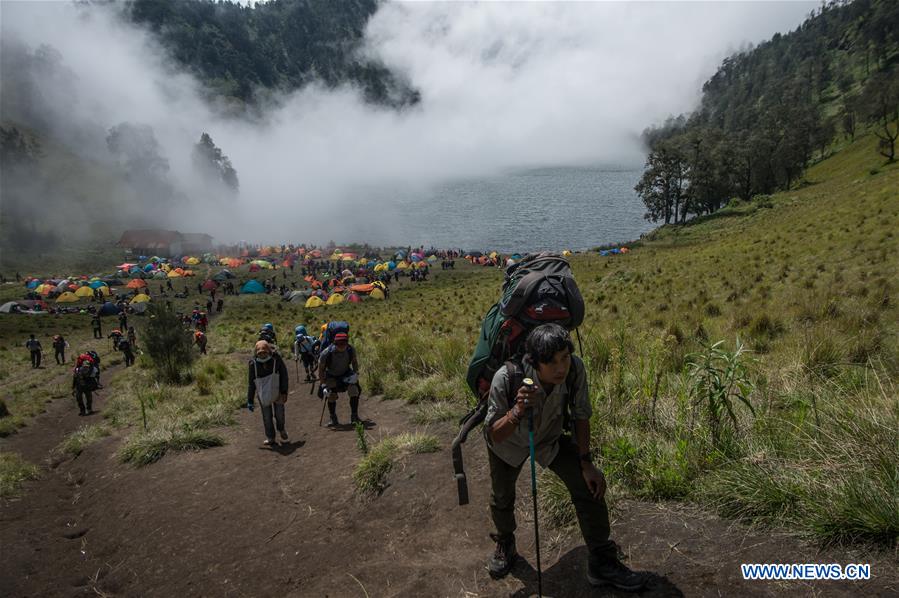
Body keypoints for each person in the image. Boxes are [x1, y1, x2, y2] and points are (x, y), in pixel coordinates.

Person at [483, 324, 648, 590]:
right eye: (551, 362)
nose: (561, 368)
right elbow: (494, 434)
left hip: (549, 438)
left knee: (588, 485)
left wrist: (586, 462)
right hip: (508, 444)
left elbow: (581, 415)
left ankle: (601, 561)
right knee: (502, 497)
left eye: (564, 358)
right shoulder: (506, 377)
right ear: (534, 362)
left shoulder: (575, 370)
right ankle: (505, 541)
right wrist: (517, 411)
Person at [246, 340, 289, 447]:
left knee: (279, 414)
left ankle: (281, 429)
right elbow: (251, 383)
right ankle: (270, 437)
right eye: (260, 353)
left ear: (269, 351)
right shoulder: (253, 364)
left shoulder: (276, 359)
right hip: (263, 393)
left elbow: (284, 374)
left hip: (277, 391)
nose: (262, 355)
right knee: (267, 416)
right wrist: (250, 400)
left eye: (264, 352)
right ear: (256, 353)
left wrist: (284, 391)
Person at [317, 332, 361, 426]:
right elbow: (321, 369)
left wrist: (355, 374)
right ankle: (333, 418)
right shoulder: (326, 353)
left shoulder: (350, 349)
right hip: (331, 376)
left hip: (346, 374)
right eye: (339, 344)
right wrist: (323, 385)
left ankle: (354, 416)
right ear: (335, 343)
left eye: (343, 344)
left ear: (347, 343)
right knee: (331, 395)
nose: (341, 346)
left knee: (354, 391)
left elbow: (354, 362)